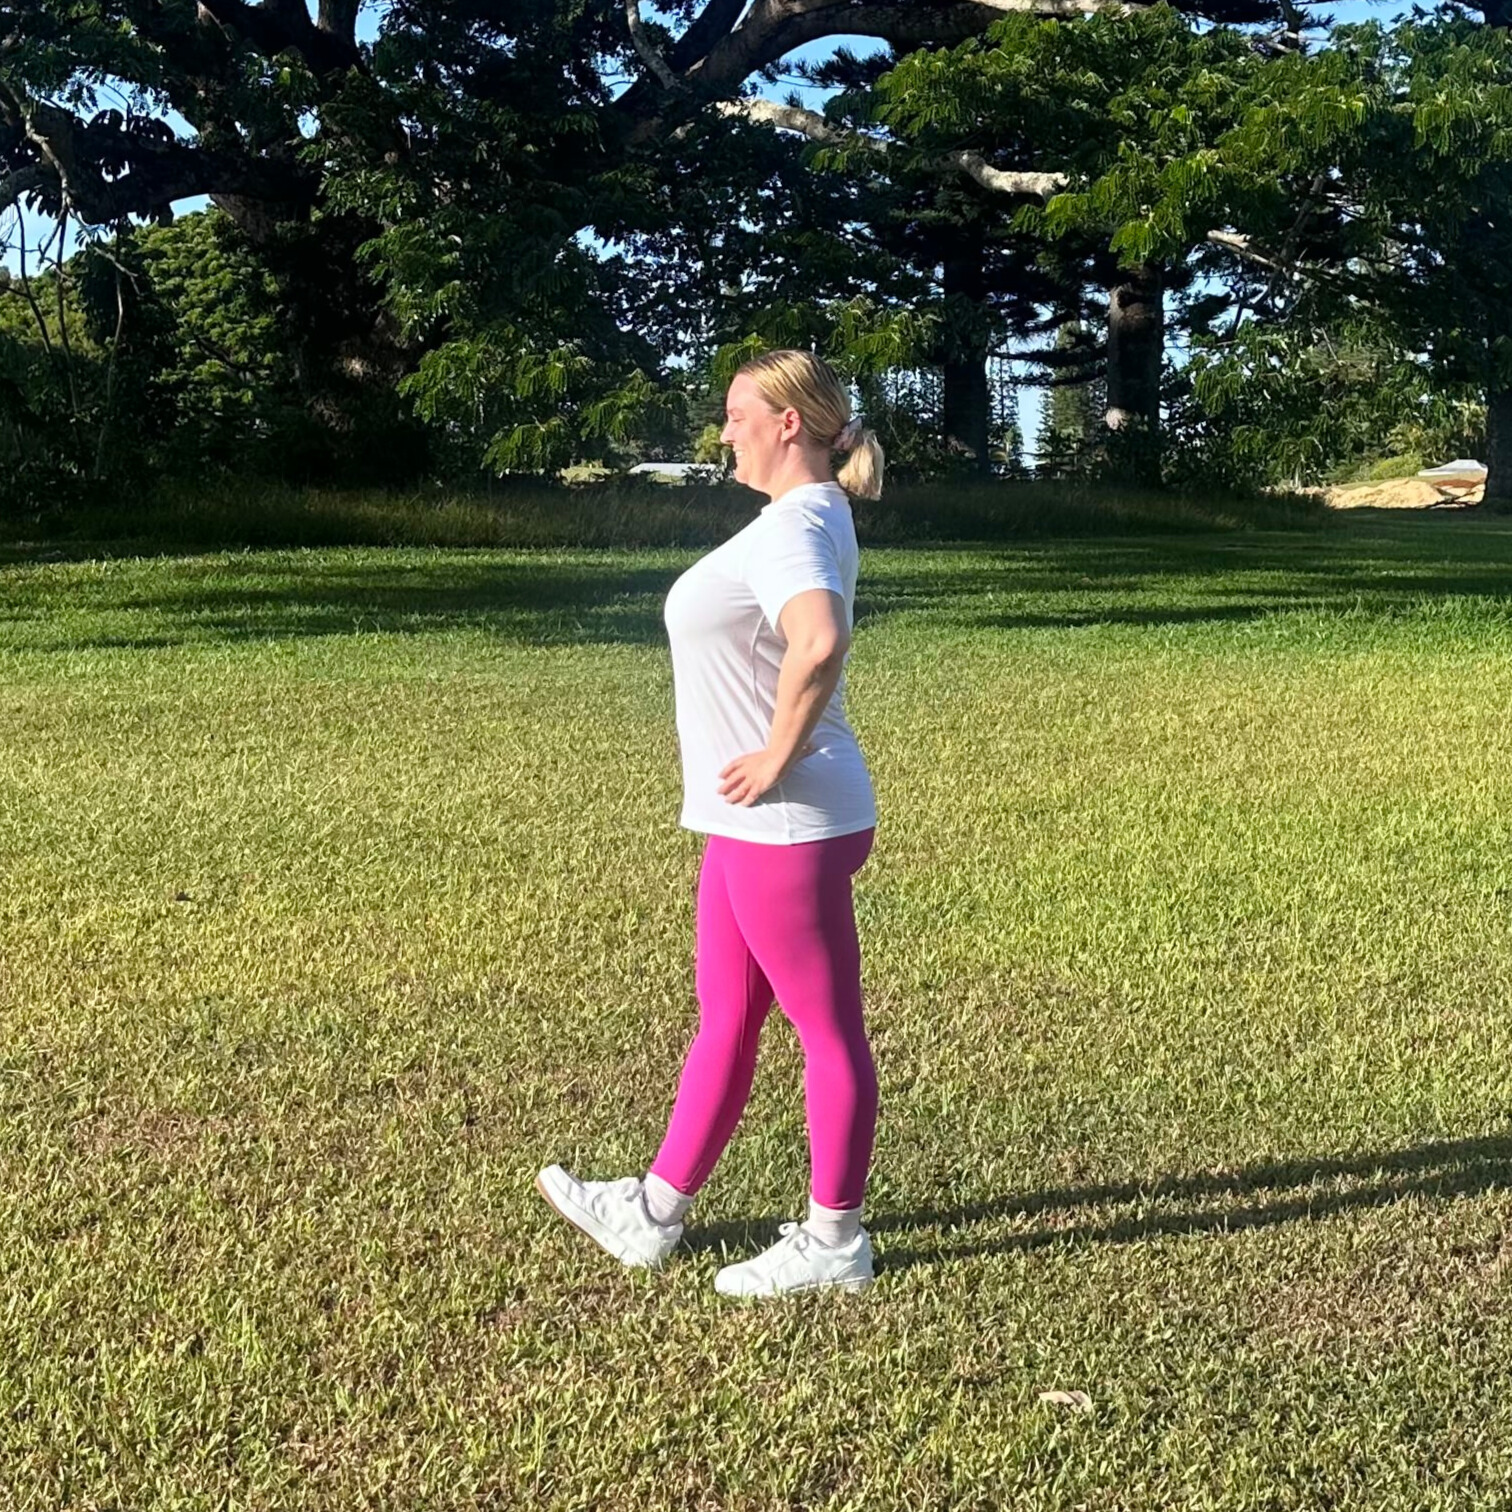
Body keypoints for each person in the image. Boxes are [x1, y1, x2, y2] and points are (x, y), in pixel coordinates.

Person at [537, 349, 885, 1297]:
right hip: (755, 820)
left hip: (788, 818)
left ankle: (836, 1241)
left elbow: (820, 638)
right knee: (727, 1019)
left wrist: (773, 754)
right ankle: (653, 1213)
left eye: (736, 414)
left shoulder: (796, 526)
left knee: (826, 1031)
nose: (724, 431)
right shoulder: (802, 517)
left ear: (787, 423)